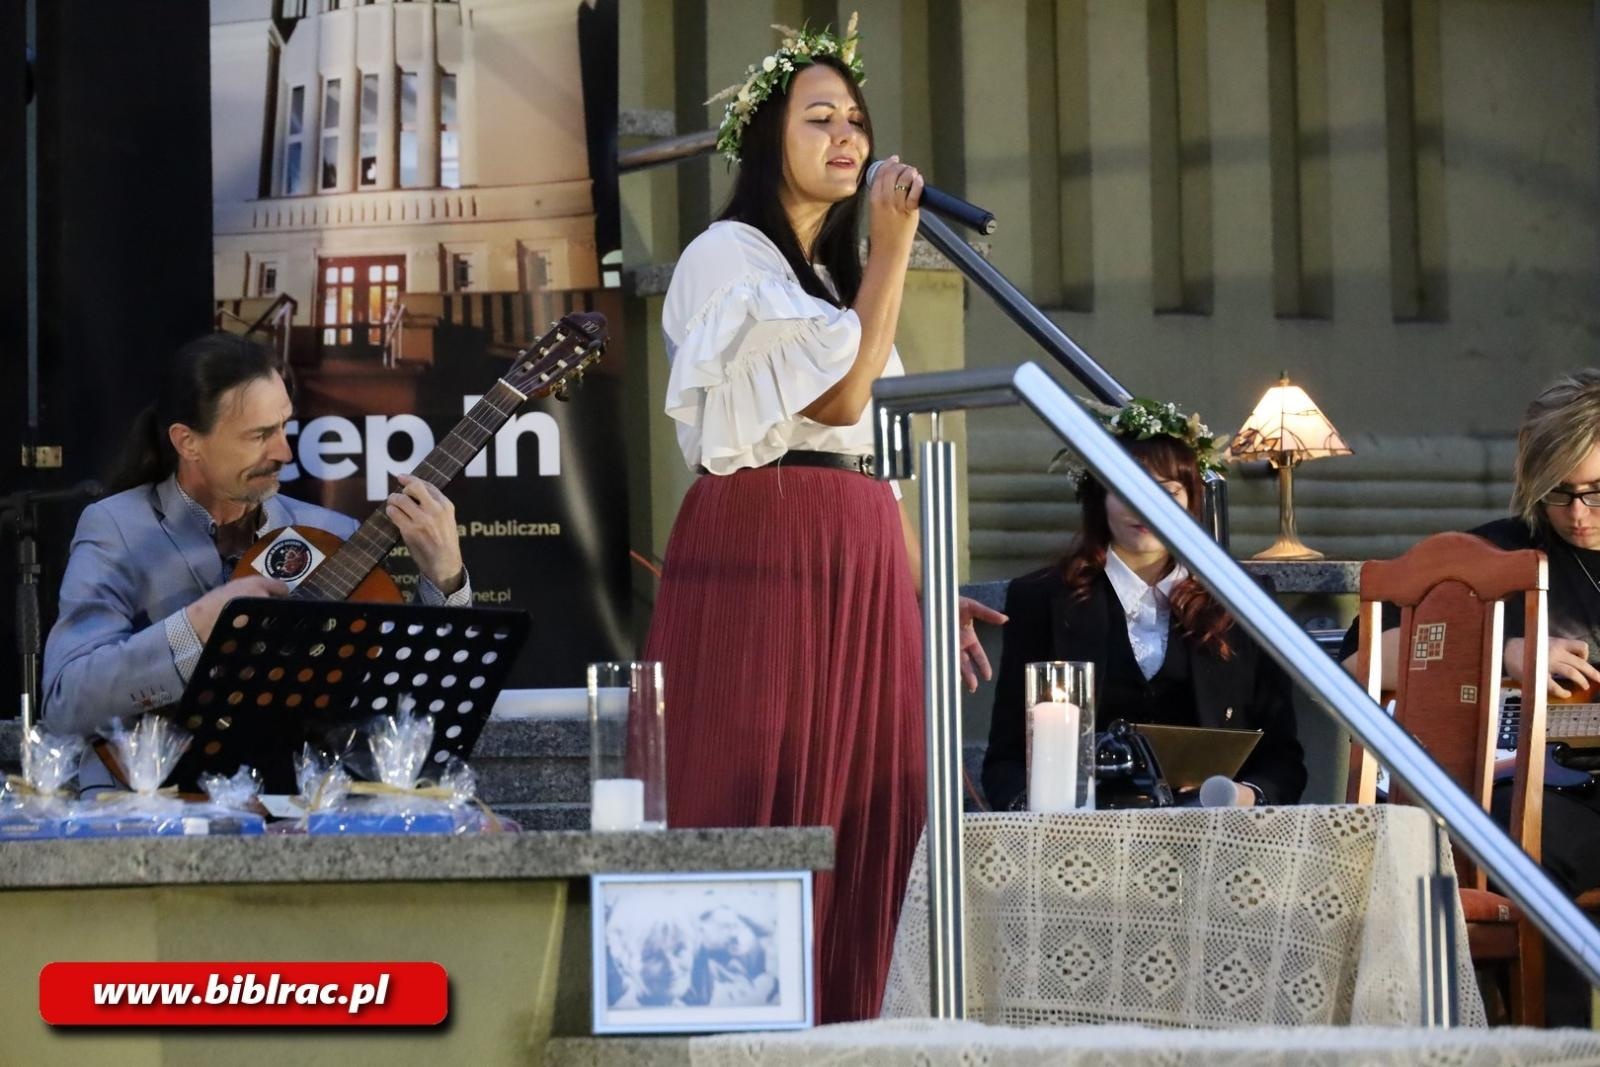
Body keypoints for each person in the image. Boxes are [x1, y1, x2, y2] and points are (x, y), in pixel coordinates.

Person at [644, 17, 1003, 1022]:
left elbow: (870, 451)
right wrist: (891, 248)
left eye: (857, 120)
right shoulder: (726, 257)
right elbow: (839, 402)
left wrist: (923, 589)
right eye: (821, 119)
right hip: (766, 542)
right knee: (758, 785)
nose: (848, 138)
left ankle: (847, 1025)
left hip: (858, 552)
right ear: (767, 139)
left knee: (868, 802)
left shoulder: (833, 285)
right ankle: (729, 1028)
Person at [41, 332, 471, 789]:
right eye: (259, 435)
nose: (284, 452)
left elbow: (412, 704)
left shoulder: (333, 537)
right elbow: (67, 704)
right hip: (154, 814)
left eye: (284, 426)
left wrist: (444, 578)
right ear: (188, 443)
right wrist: (198, 625)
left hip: (300, 810)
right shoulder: (116, 527)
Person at [1340, 369, 1600, 1024]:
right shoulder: (1495, 555)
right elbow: (1360, 657)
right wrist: (1501, 649)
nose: (1577, 514)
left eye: (1597, 493)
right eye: (1558, 494)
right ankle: (1548, 1043)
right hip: (1537, 793)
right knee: (1523, 850)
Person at [984, 399, 1308, 810]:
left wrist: (1242, 797)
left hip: (1210, 832)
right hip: (1085, 836)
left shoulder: (1242, 598)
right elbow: (1006, 758)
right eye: (1127, 488)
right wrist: (1039, 818)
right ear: (1099, 498)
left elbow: (1282, 758)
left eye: (1167, 491)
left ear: (1192, 500)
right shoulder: (1042, 599)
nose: (1146, 506)